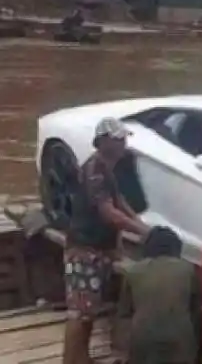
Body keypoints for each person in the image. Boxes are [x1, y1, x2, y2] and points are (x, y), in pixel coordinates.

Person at [63, 117, 150, 364]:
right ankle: (71, 360)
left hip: (101, 247)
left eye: (124, 139)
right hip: (84, 247)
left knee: (89, 311)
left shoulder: (107, 168)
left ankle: (82, 358)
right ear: (104, 142)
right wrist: (142, 233)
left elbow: (119, 201)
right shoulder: (94, 171)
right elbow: (108, 212)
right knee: (80, 312)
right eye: (119, 139)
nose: (124, 144)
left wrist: (141, 225)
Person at [118, 226, 200, 364]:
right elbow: (196, 309)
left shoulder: (133, 270)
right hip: (180, 342)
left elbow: (124, 312)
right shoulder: (188, 269)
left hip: (143, 341)